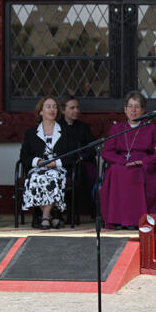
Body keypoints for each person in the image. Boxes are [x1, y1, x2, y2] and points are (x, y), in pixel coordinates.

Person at [99, 91, 156, 230]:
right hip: (120, 164)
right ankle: (117, 220)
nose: (133, 110)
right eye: (130, 106)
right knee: (116, 171)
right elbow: (106, 152)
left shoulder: (153, 129)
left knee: (133, 173)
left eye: (137, 107)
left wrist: (143, 161)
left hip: (143, 166)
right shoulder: (117, 128)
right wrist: (122, 161)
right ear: (125, 109)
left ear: (143, 110)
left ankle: (136, 220)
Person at [20, 96, 75, 230]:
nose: (52, 110)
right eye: (48, 106)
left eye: (55, 107)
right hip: (37, 169)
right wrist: (38, 161)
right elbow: (24, 156)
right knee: (35, 177)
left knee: (52, 176)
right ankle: (53, 215)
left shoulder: (67, 132)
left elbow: (74, 155)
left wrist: (56, 163)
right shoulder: (31, 133)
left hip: (58, 169)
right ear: (40, 111)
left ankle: (45, 216)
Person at [59, 94, 97, 217]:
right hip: (62, 163)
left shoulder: (84, 127)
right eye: (72, 108)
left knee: (84, 173)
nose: (76, 110)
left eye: (77, 107)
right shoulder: (56, 127)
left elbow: (92, 149)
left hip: (80, 162)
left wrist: (82, 157)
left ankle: (88, 212)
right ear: (63, 110)